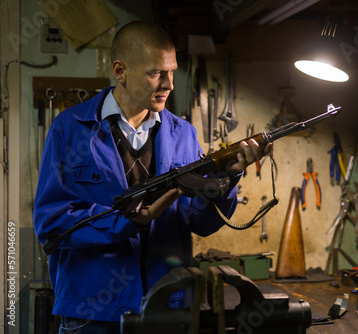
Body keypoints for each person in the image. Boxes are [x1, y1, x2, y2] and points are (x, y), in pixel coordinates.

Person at [33, 20, 271, 333]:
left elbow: (200, 222)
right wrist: (126, 221)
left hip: (168, 307)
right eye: (156, 73)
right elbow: (52, 224)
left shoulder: (183, 133)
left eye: (172, 71)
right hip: (92, 312)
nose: (170, 84)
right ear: (120, 71)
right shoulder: (69, 129)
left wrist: (228, 178)